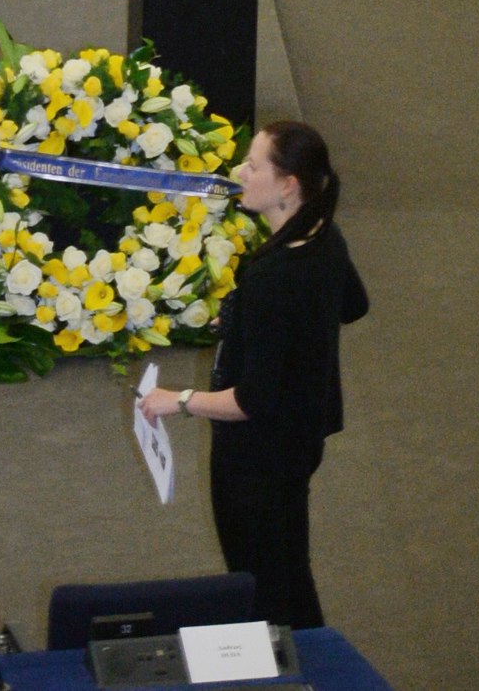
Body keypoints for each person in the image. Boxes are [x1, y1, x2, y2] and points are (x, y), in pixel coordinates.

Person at [140, 120, 368, 630]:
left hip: (255, 457)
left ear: (287, 184)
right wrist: (257, 325)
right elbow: (353, 305)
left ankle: (283, 660)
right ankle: (314, 657)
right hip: (302, 435)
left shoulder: (273, 276)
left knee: (259, 583)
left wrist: (176, 400)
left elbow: (249, 402)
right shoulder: (326, 238)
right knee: (289, 567)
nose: (239, 172)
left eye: (253, 165)